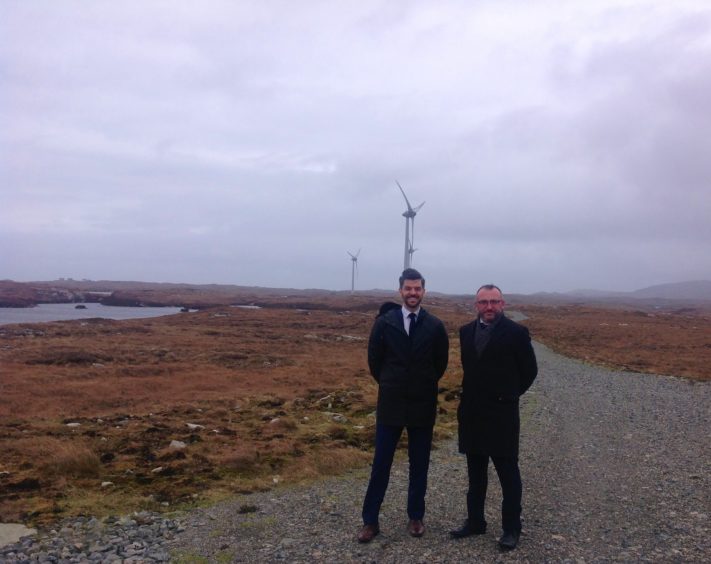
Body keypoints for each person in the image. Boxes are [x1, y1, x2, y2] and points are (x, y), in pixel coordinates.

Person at [357, 268, 449, 543]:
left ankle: (416, 517)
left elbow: (440, 364)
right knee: (381, 464)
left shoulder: (434, 326)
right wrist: (390, 382)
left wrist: (422, 382)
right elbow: (375, 361)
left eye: (417, 288)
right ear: (400, 290)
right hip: (391, 405)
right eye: (408, 288)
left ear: (423, 291)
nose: (412, 293)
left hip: (422, 405)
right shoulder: (385, 323)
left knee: (419, 464)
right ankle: (370, 521)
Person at [449, 284, 537, 551]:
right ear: (476, 305)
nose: (489, 307)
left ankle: (511, 528)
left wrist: (508, 395)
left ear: (503, 304)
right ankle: (475, 521)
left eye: (494, 302)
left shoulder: (517, 333)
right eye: (484, 302)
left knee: (508, 475)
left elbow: (529, 372)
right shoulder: (465, 332)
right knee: (475, 474)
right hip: (473, 413)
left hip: (502, 415)